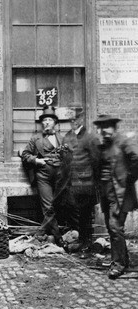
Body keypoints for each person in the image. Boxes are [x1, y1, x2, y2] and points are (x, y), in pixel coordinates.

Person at [21, 106, 79, 247]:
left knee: (62, 205)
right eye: (44, 120)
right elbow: (25, 155)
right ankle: (59, 239)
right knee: (48, 207)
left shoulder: (62, 138)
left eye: (49, 120)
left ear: (55, 123)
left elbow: (71, 157)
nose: (46, 123)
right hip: (43, 175)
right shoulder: (36, 139)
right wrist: (36, 160)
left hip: (61, 177)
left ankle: (43, 232)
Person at [93, 114, 138, 279]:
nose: (103, 130)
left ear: (114, 127)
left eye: (106, 126)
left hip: (121, 193)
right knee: (113, 229)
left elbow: (137, 158)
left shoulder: (124, 142)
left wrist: (129, 177)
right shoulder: (105, 145)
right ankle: (122, 260)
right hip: (106, 193)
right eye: (101, 127)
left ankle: (118, 265)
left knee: (114, 227)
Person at [63, 108, 101, 254]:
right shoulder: (67, 137)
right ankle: (78, 240)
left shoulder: (90, 138)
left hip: (86, 183)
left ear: (81, 119)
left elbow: (96, 160)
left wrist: (95, 182)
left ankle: (86, 242)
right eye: (71, 119)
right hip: (71, 183)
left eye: (76, 119)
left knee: (86, 214)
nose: (73, 122)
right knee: (74, 213)